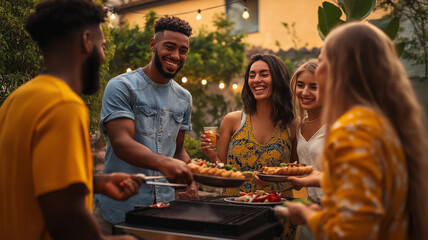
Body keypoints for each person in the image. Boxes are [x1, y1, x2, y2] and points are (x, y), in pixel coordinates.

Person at [0, 0, 143, 239]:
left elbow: (33, 182)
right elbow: (66, 215)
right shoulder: (63, 104)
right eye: (103, 46)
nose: (103, 57)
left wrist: (95, 183)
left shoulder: (17, 99)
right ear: (87, 41)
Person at [275, 22, 428, 239]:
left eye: (322, 61)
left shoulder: (353, 130)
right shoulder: (382, 122)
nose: (319, 70)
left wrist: (309, 216)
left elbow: (352, 233)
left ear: (337, 69)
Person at [94, 15, 198, 234]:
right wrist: (164, 163)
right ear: (153, 44)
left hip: (164, 213)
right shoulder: (122, 86)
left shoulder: (184, 97)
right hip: (119, 211)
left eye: (183, 50)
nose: (176, 56)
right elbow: (122, 143)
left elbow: (179, 151)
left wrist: (192, 180)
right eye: (169, 47)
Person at [201, 53, 296, 239]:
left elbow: (295, 174)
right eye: (252, 75)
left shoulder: (292, 125)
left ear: (277, 78)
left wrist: (272, 182)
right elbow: (222, 171)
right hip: (235, 214)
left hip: (278, 216)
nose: (256, 80)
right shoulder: (232, 121)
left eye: (264, 74)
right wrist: (211, 156)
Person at [288, 59, 325, 240]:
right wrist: (301, 202)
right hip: (309, 211)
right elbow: (299, 174)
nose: (304, 92)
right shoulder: (299, 126)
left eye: (313, 87)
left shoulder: (338, 124)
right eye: (300, 85)